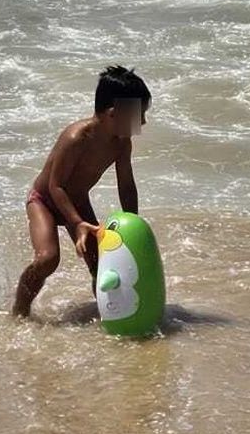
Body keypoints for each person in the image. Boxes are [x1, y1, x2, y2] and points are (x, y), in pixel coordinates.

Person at [11, 65, 150, 318]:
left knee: (102, 265)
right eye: (138, 115)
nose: (143, 122)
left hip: (76, 201)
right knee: (48, 259)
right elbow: (56, 186)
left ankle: (112, 316)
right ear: (114, 113)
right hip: (44, 201)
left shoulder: (121, 143)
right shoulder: (76, 138)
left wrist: (134, 224)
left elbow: (126, 185)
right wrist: (77, 223)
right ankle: (19, 313)